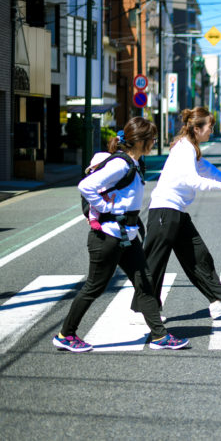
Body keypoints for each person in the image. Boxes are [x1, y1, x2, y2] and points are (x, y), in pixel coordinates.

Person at [53, 117, 189, 352]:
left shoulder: (134, 163)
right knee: (94, 286)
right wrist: (106, 208)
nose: (154, 142)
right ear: (141, 141)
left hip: (126, 236)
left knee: (144, 283)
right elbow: (86, 186)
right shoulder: (121, 165)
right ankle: (66, 334)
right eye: (152, 139)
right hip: (108, 237)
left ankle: (159, 336)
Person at [144, 107, 221, 321]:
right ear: (197, 128)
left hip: (176, 210)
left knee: (198, 255)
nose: (211, 131)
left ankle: (219, 301)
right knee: (155, 264)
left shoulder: (191, 148)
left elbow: (207, 169)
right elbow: (193, 180)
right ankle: (143, 311)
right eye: (209, 127)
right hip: (164, 210)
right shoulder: (184, 148)